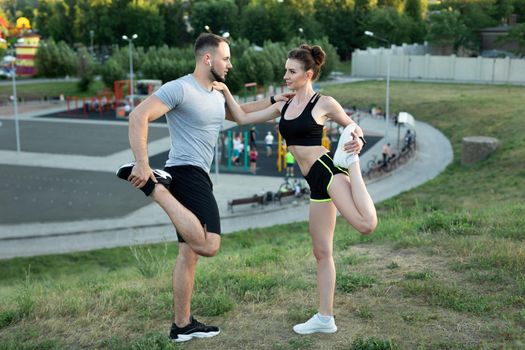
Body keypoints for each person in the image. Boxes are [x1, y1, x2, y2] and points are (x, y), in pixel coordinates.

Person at [115, 33, 291, 343]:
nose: (230, 64)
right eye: (226, 58)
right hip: (186, 172)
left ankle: (182, 326)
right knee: (209, 245)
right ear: (207, 58)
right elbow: (138, 115)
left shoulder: (216, 94)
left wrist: (277, 101)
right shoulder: (180, 88)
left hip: (193, 174)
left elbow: (243, 112)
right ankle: (154, 189)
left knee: (188, 254)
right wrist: (142, 164)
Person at [213, 44, 377, 335]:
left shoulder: (324, 102)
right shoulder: (283, 105)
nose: (286, 75)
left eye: (292, 71)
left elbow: (354, 126)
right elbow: (239, 117)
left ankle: (351, 163)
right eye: (285, 70)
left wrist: (357, 142)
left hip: (326, 171)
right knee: (321, 252)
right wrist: (225, 92)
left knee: (366, 224)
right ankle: (325, 319)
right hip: (313, 183)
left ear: (308, 74)